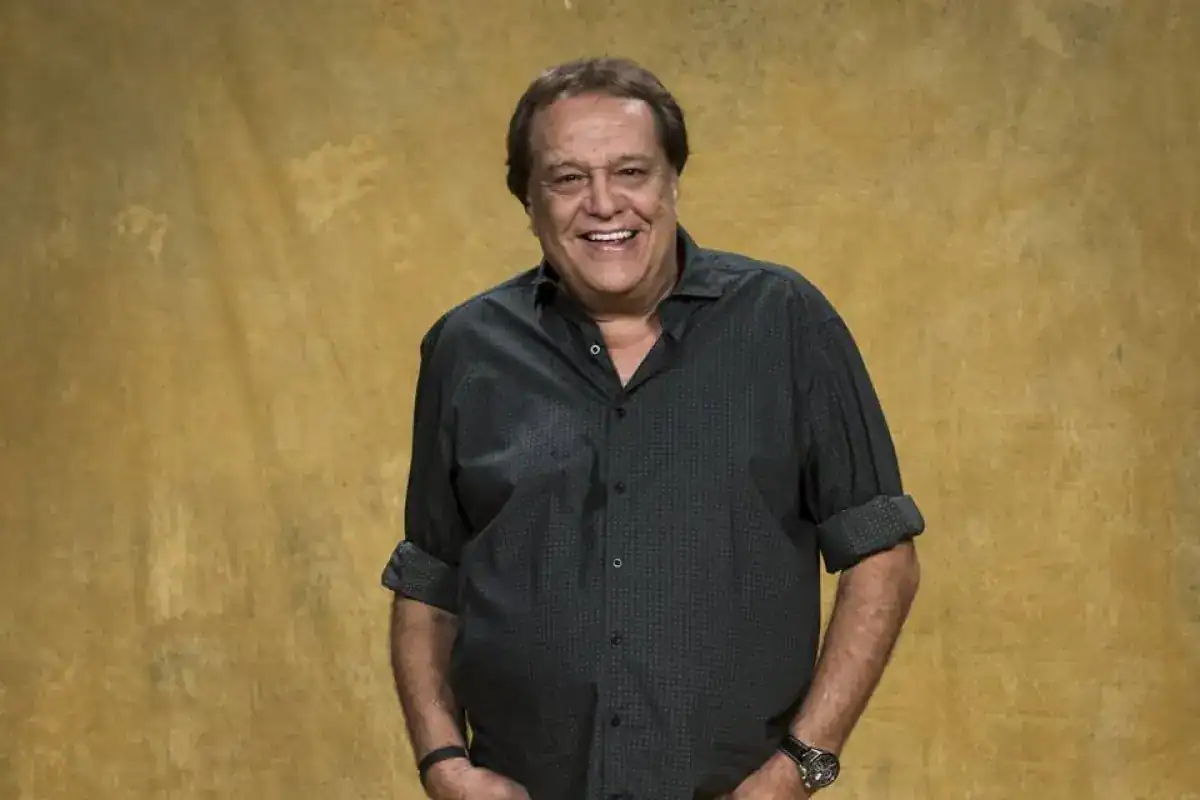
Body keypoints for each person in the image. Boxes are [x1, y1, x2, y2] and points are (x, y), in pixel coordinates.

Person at [381, 56, 925, 800]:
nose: (605, 204)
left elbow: (882, 556)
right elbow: (429, 580)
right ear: (528, 199)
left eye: (631, 172)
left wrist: (801, 764)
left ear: (673, 181)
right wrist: (443, 763)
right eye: (568, 178)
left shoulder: (786, 323)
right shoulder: (465, 349)